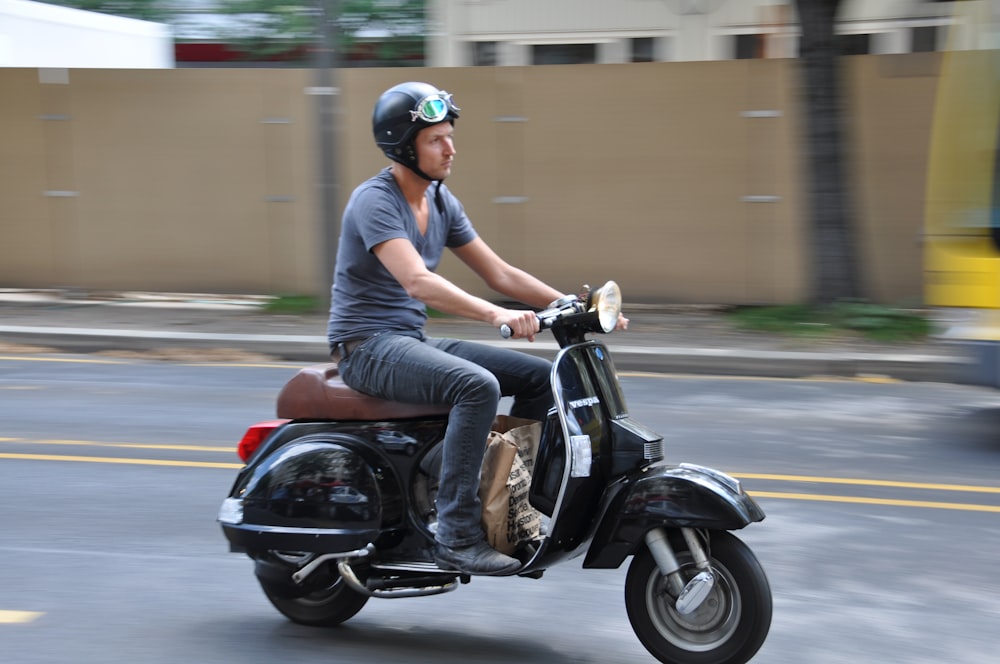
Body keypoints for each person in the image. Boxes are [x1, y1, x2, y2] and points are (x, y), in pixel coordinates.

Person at [327, 81, 566, 576]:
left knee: (540, 379)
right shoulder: (376, 201)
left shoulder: (439, 199)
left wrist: (572, 304)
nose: (450, 147)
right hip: (365, 348)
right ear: (403, 146)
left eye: (450, 135)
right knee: (477, 386)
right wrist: (497, 315)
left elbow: (500, 273)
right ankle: (457, 535)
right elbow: (418, 282)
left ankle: (506, 508)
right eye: (436, 139)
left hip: (407, 342)